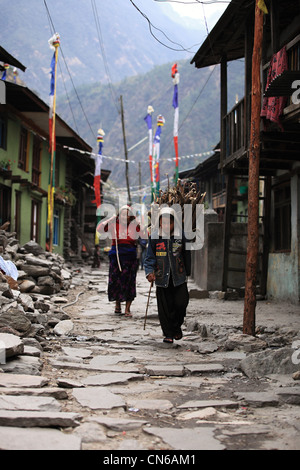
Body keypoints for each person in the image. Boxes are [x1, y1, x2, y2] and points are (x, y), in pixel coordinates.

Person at [144, 207, 191, 344]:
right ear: (159, 223)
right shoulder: (154, 237)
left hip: (179, 276)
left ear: (174, 223)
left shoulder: (180, 236)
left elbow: (186, 254)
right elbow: (150, 257)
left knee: (181, 303)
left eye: (168, 223)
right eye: (162, 223)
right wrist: (149, 272)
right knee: (165, 307)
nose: (165, 226)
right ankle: (168, 333)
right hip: (161, 277)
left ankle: (176, 327)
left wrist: (188, 271)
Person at [97, 205, 140, 317]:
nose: (124, 216)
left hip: (130, 256)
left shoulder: (134, 225)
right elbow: (100, 229)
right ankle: (117, 305)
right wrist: (110, 219)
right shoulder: (113, 224)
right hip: (116, 255)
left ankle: (127, 309)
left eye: (127, 214)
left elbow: (145, 234)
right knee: (116, 280)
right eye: (122, 214)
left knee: (129, 281)